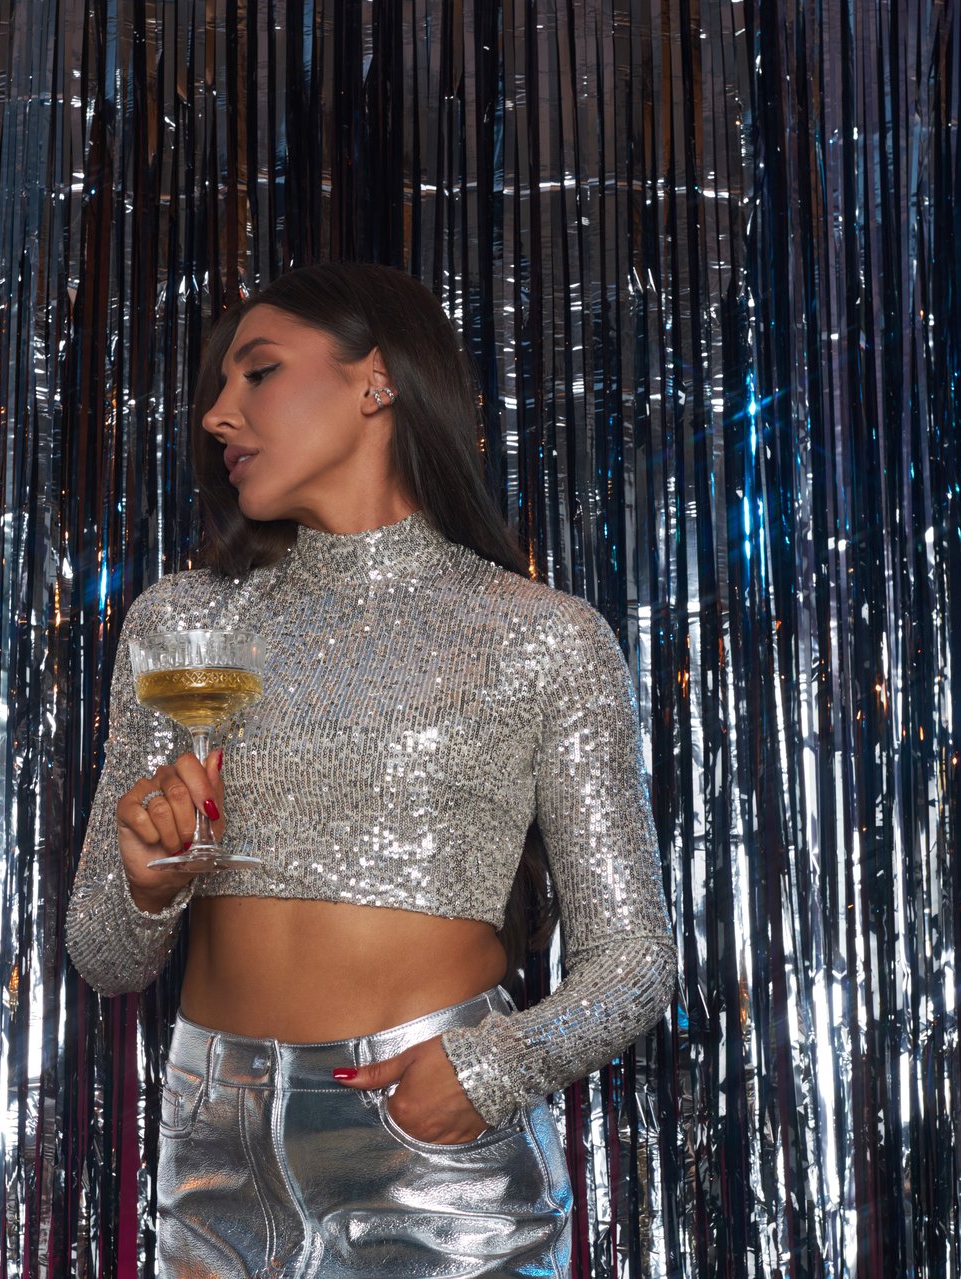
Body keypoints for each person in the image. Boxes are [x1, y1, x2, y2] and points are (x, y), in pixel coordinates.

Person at [65, 262, 675, 1278]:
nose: (219, 414)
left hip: (428, 1139)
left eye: (255, 374)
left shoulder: (544, 639)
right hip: (212, 1137)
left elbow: (635, 960)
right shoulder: (180, 625)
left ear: (377, 381)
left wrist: (485, 1072)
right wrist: (145, 883)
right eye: (217, 389)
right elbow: (105, 955)